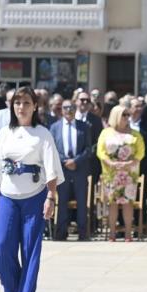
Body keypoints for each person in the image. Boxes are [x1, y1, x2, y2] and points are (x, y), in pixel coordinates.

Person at [0, 86, 63, 292]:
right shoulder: (4, 133)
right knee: (2, 250)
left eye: (26, 102)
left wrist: (51, 197)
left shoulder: (43, 134)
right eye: (17, 103)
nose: (21, 107)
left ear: (35, 106)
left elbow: (51, 170)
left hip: (35, 197)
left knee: (31, 251)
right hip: (8, 196)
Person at [97, 105, 145, 242]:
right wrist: (111, 163)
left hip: (129, 173)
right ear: (116, 116)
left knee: (127, 203)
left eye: (127, 115)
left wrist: (131, 163)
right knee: (112, 203)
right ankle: (112, 234)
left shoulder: (134, 133)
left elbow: (141, 151)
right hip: (111, 173)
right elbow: (100, 151)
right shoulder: (106, 133)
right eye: (123, 115)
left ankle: (128, 234)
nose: (126, 117)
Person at [49, 99, 93, 241]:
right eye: (66, 107)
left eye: (72, 107)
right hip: (62, 170)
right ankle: (61, 233)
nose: (69, 110)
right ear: (61, 110)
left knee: (81, 202)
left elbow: (88, 149)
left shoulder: (84, 126)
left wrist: (75, 161)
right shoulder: (54, 127)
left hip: (79, 169)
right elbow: (52, 148)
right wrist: (65, 161)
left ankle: (82, 233)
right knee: (62, 202)